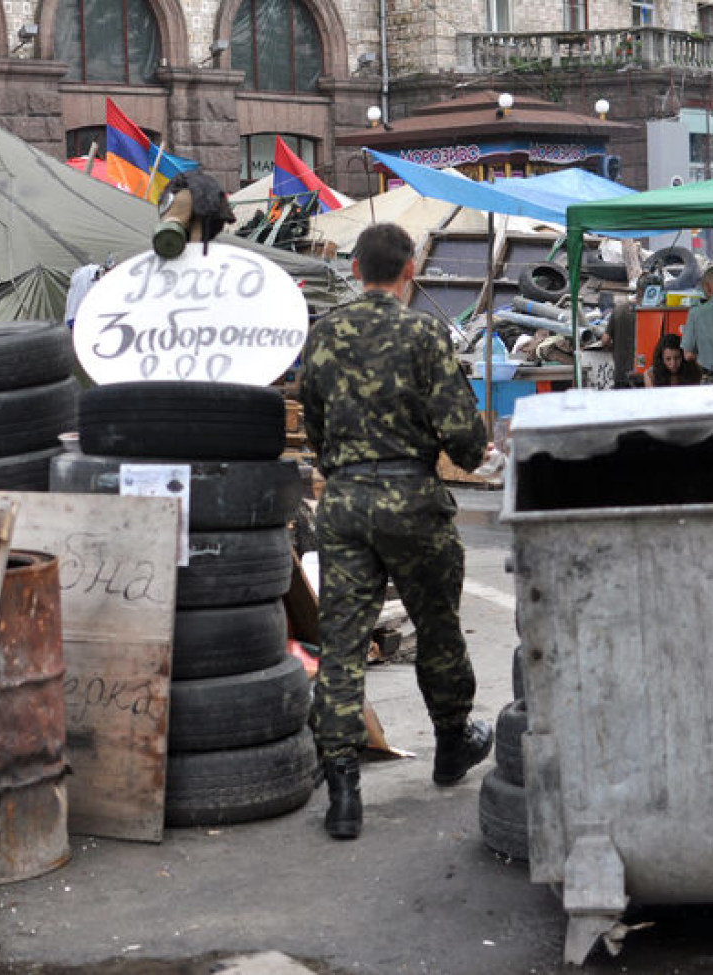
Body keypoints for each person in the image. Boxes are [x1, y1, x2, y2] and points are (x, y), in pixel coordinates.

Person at [298, 222, 494, 841]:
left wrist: (346, 469)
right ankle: (450, 744)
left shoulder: (324, 334)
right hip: (412, 499)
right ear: (410, 269)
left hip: (347, 501)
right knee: (437, 628)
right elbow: (464, 438)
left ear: (355, 270)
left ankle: (343, 789)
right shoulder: (424, 333)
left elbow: (316, 426)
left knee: (343, 643)